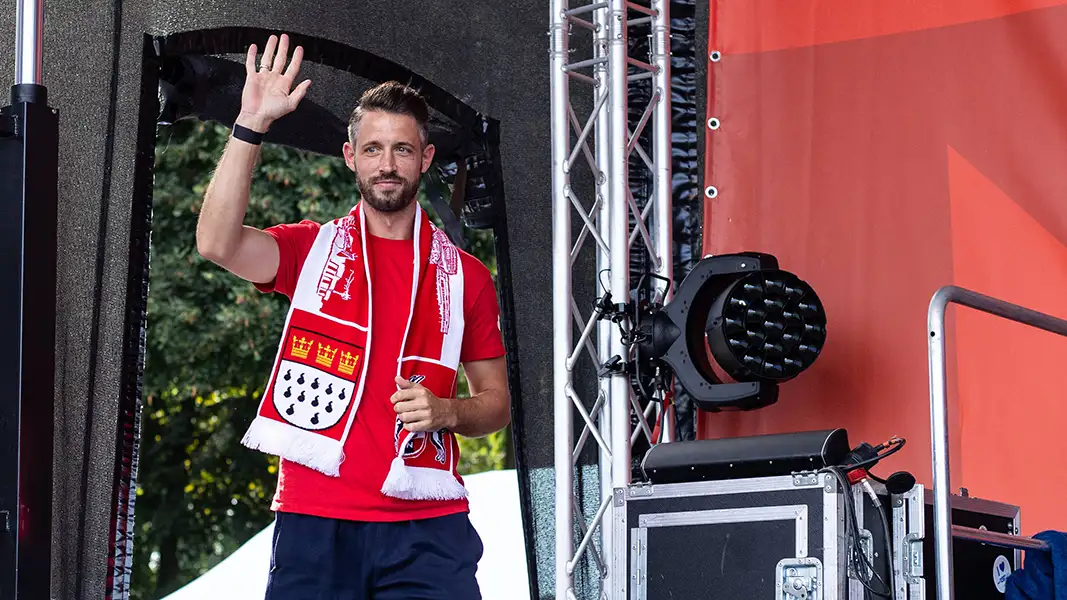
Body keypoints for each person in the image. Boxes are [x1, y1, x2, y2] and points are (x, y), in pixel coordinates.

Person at [195, 33, 510, 599]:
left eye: (402, 149)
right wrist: (249, 125)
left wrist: (446, 411)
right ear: (350, 158)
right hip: (316, 520)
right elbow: (217, 243)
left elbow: (495, 404)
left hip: (426, 522)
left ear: (425, 157)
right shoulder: (310, 250)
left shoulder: (466, 276)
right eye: (372, 149)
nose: (387, 165)